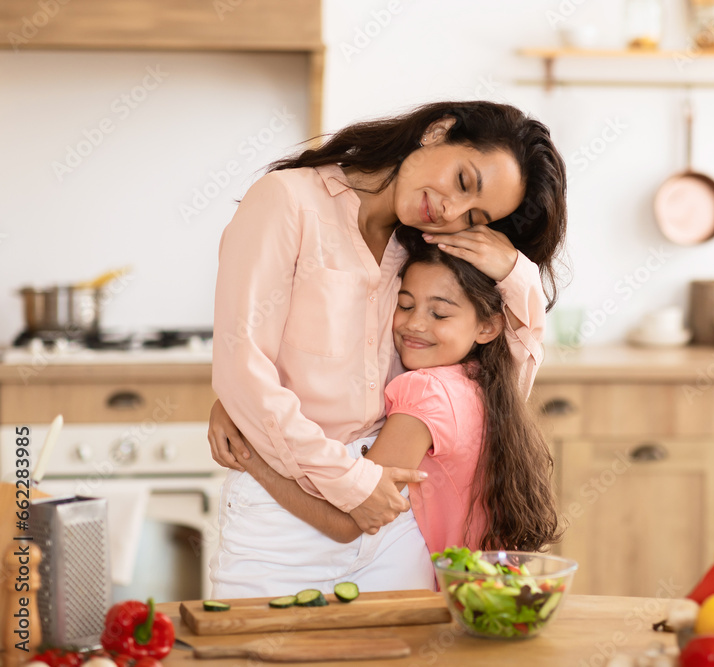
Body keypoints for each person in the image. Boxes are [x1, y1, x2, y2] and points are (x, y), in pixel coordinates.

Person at [207, 101, 567, 596]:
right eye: (464, 181)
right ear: (438, 132)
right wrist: (351, 483)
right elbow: (242, 363)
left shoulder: (423, 249)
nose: (452, 212)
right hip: (287, 514)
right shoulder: (289, 201)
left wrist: (516, 272)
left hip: (396, 513)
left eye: (476, 216)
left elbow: (500, 385)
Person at [226, 228, 560, 594]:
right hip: (479, 588)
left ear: (488, 326)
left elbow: (347, 522)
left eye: (439, 314)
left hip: (450, 592)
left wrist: (253, 458)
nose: (415, 323)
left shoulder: (425, 392)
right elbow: (528, 337)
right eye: (404, 305)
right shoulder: (490, 382)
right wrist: (517, 273)